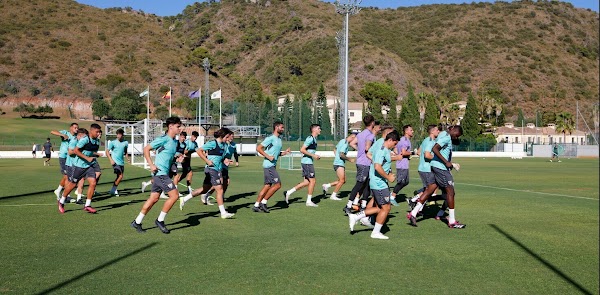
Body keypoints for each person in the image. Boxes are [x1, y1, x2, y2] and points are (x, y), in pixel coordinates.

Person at [130, 117, 184, 234]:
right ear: (170, 127)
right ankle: (160, 220)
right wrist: (151, 164)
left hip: (162, 174)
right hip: (160, 173)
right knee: (174, 196)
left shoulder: (174, 142)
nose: (180, 128)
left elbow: (168, 153)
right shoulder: (163, 139)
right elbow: (146, 149)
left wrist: (178, 155)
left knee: (153, 198)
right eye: (178, 126)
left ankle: (137, 222)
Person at [407, 125, 465, 229]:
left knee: (430, 190)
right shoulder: (446, 137)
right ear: (453, 130)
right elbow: (435, 148)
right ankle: (451, 221)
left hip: (434, 166)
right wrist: (447, 162)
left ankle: (413, 213)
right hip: (441, 168)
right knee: (450, 193)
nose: (456, 137)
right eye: (456, 135)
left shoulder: (443, 134)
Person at [348, 131, 400, 240]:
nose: (395, 146)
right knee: (386, 208)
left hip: (378, 183)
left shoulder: (383, 150)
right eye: (394, 144)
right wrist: (388, 177)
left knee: (379, 207)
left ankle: (356, 216)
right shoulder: (382, 151)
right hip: (379, 184)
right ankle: (375, 232)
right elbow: (377, 166)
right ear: (390, 140)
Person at [179, 128, 235, 219]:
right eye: (226, 137)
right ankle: (223, 213)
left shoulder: (224, 145)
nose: (227, 139)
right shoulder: (213, 143)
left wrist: (226, 160)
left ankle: (184, 199)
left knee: (205, 189)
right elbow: (199, 151)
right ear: (222, 136)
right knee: (220, 190)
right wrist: (207, 160)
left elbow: (221, 157)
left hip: (218, 169)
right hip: (211, 169)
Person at [58, 123, 102, 214]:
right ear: (91, 131)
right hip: (78, 166)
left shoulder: (97, 142)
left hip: (88, 166)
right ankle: (61, 201)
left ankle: (87, 205)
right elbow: (75, 151)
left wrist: (95, 155)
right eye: (97, 132)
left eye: (99, 132)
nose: (98, 134)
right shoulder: (84, 140)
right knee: (72, 185)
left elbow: (89, 152)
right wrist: (87, 158)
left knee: (93, 183)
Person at [344, 115, 380, 215]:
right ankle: (348, 205)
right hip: (365, 163)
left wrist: (359, 150)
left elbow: (352, 144)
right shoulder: (370, 135)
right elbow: (367, 148)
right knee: (359, 184)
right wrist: (374, 157)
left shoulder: (361, 134)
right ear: (372, 123)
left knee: (366, 185)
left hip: (362, 161)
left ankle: (363, 206)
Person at [252, 121, 291, 213]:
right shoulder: (271, 138)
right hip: (269, 165)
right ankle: (263, 202)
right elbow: (258, 148)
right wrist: (268, 156)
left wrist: (285, 153)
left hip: (272, 165)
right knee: (278, 185)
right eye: (282, 127)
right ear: (276, 127)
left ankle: (256, 205)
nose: (283, 129)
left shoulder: (279, 140)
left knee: (267, 186)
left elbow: (276, 153)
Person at [283, 124, 322, 207]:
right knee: (313, 181)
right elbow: (302, 149)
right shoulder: (310, 138)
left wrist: (314, 155)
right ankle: (308, 201)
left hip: (307, 162)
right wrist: (314, 156)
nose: (320, 130)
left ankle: (288, 192)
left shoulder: (314, 139)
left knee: (306, 182)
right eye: (319, 128)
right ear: (314, 129)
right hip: (307, 162)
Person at [322, 133, 357, 201]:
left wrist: (336, 158)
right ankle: (333, 195)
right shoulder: (345, 144)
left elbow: (335, 149)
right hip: (339, 164)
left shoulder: (342, 140)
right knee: (342, 180)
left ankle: (327, 185)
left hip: (338, 163)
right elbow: (341, 154)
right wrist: (350, 160)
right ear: (352, 137)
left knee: (342, 181)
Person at [51, 123, 79, 200]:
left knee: (68, 176)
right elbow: (52, 131)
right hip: (63, 157)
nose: (76, 129)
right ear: (71, 128)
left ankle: (60, 191)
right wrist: (62, 135)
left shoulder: (77, 137)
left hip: (71, 158)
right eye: (75, 128)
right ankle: (66, 195)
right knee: (67, 176)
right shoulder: (65, 132)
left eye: (77, 128)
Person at [390, 125, 415, 207]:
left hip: (404, 164)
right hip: (401, 165)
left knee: (406, 182)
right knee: (401, 182)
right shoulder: (405, 140)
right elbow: (404, 152)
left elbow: (396, 149)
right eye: (411, 130)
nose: (412, 131)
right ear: (406, 131)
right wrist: (413, 153)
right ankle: (392, 197)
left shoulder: (404, 140)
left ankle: (392, 194)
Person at [106, 128, 129, 197]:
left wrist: (128, 158)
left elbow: (125, 151)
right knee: (120, 176)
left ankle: (113, 190)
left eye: (120, 134)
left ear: (122, 135)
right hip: (115, 162)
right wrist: (111, 160)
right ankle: (113, 190)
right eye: (117, 134)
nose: (118, 136)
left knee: (118, 177)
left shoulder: (125, 143)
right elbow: (107, 151)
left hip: (121, 162)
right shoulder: (112, 143)